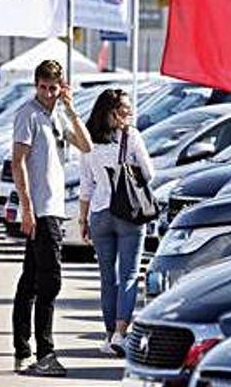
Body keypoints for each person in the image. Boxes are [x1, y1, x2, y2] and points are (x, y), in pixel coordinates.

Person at [11, 60, 92, 377]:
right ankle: (44, 352)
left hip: (54, 209)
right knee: (49, 282)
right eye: (43, 87)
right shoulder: (27, 114)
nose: (47, 93)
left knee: (30, 282)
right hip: (41, 211)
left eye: (53, 88)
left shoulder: (57, 113)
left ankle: (23, 351)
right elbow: (18, 163)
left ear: (61, 87)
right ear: (36, 85)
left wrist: (70, 109)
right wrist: (27, 208)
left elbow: (86, 145)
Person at [78, 89, 154, 356]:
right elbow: (149, 173)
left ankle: (108, 335)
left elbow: (86, 184)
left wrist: (82, 219)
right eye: (125, 109)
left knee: (107, 277)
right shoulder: (131, 137)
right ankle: (121, 335)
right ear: (113, 111)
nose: (129, 113)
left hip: (99, 213)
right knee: (129, 274)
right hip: (129, 214)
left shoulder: (88, 140)